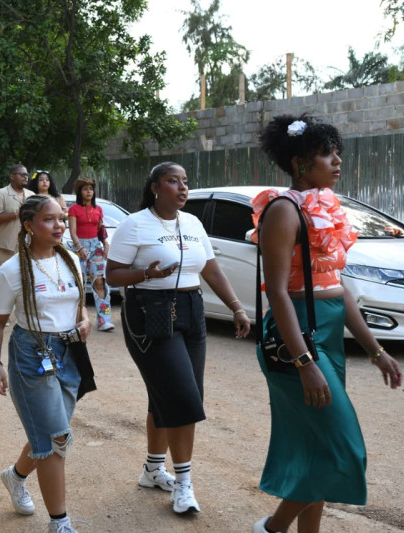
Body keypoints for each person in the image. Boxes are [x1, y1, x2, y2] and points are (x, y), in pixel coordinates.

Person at [250, 115, 403, 533]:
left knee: (317, 448)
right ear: (300, 163)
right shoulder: (284, 211)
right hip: (297, 335)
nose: (338, 161)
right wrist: (304, 363)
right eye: (326, 154)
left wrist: (376, 351)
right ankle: (272, 529)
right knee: (343, 450)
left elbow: (339, 289)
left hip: (328, 332)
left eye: (338, 153)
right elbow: (277, 293)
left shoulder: (327, 206)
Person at [105, 162, 250, 515]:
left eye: (185, 181)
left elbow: (210, 268)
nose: (183, 188)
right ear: (155, 187)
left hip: (191, 309)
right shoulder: (134, 224)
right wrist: (144, 272)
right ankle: (183, 484)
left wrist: (236, 307)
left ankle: (153, 470)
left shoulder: (193, 223)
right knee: (183, 397)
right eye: (173, 181)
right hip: (149, 312)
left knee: (169, 393)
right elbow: (111, 275)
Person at [0, 194, 91, 533]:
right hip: (33, 353)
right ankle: (59, 523)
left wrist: (85, 318)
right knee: (56, 437)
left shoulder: (71, 259)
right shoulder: (12, 269)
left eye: (61, 218)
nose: (59, 225)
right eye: (50, 219)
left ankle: (15, 477)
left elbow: (79, 304)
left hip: (69, 352)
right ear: (29, 225)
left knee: (47, 432)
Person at [68, 177, 115, 332]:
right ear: (79, 192)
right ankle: (77, 319)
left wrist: (106, 244)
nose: (88, 191)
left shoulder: (98, 209)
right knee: (79, 283)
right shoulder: (74, 208)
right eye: (85, 189)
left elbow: (101, 230)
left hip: (96, 246)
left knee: (100, 281)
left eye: (91, 189)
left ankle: (104, 320)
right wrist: (80, 247)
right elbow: (72, 231)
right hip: (79, 247)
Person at [0, 164, 34, 270]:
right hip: (4, 247)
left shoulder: (31, 195)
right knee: (4, 277)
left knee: (24, 278)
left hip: (26, 245)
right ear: (12, 176)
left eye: (27, 174)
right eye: (22, 174)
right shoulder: (1, 194)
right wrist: (17, 214)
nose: (25, 177)